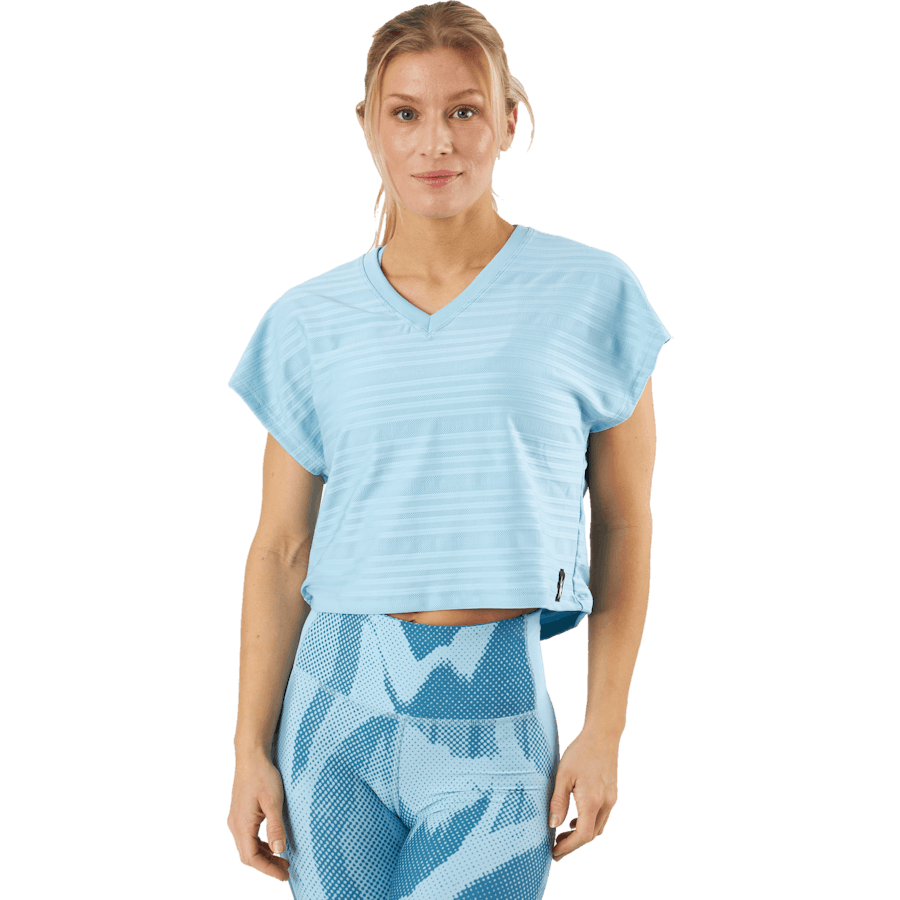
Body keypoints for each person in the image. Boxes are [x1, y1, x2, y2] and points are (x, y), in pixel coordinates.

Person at [225, 2, 674, 897]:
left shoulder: (592, 292)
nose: (437, 141)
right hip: (332, 715)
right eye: (407, 112)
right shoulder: (309, 320)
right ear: (369, 126)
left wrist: (605, 731)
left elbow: (625, 525)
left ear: (508, 120)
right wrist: (248, 749)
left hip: (498, 723)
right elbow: (280, 547)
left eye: (464, 110)